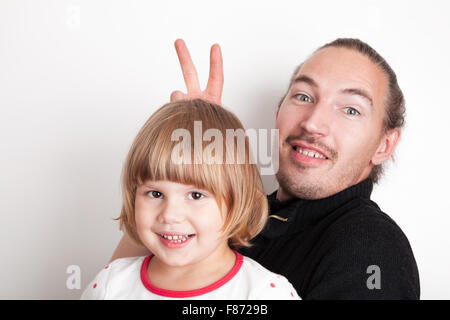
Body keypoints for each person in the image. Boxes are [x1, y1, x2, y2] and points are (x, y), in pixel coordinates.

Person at [111, 38, 420, 299]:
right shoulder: (245, 216)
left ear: (384, 145)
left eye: (351, 109)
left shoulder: (371, 247)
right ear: (278, 110)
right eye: (303, 96)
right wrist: (188, 167)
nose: (312, 123)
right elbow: (123, 282)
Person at [81, 99, 300, 299]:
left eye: (196, 195)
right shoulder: (110, 285)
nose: (170, 215)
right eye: (155, 194)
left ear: (236, 201)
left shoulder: (263, 293)